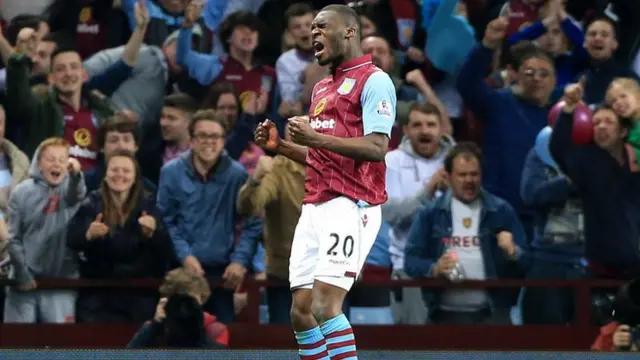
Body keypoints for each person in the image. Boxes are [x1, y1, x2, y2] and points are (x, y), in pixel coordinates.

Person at [254, 5, 396, 359]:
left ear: (349, 31)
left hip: (352, 203)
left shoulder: (374, 80)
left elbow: (377, 148)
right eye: (311, 28)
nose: (313, 33)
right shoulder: (320, 89)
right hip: (315, 204)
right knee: (300, 313)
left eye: (321, 26)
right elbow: (325, 157)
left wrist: (314, 139)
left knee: (325, 306)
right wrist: (282, 148)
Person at [4, 137, 86, 323]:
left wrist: (76, 175)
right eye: (50, 159)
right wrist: (22, 274)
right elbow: (13, 238)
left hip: (61, 281)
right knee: (17, 346)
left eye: (61, 159)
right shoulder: (21, 192)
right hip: (23, 281)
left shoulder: (72, 186)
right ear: (38, 162)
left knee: (60, 346)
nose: (56, 164)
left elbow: (77, 193)